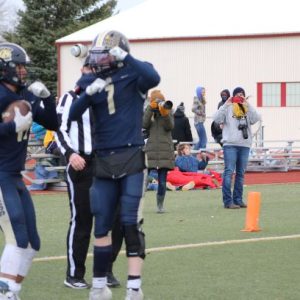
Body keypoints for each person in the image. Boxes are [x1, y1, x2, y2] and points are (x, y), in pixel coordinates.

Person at [68, 30, 160, 300]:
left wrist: (127, 57)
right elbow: (73, 114)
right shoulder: (91, 78)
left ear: (118, 53)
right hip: (104, 159)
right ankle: (98, 285)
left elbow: (154, 78)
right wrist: (87, 94)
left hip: (131, 156)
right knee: (102, 224)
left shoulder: (134, 73)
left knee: (131, 223)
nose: (100, 59)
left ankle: (134, 287)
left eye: (106, 53)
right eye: (98, 54)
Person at [55, 57, 121, 289]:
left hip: (104, 164)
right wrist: (71, 154)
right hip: (81, 163)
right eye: (89, 68)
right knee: (82, 220)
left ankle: (105, 270)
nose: (92, 72)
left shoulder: (105, 99)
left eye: (97, 69)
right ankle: (74, 274)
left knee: (113, 219)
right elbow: (59, 128)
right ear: (82, 70)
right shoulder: (70, 98)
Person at [0, 42, 58, 298]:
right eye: (19, 66)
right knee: (17, 238)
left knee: (32, 242)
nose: (23, 71)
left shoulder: (25, 94)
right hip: (0, 174)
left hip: (14, 175)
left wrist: (48, 99)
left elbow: (53, 123)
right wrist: (9, 128)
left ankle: (13, 290)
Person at [213, 87, 261, 209]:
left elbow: (256, 118)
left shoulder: (247, 108)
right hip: (230, 144)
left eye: (242, 95)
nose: (240, 97)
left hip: (244, 145)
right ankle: (228, 201)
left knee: (241, 173)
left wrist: (247, 104)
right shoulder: (227, 107)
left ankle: (238, 200)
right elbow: (217, 119)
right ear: (233, 96)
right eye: (237, 95)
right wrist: (226, 104)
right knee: (229, 172)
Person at [143, 90, 175, 213]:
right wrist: (150, 109)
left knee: (162, 182)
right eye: (157, 101)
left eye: (161, 101)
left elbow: (170, 126)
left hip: (164, 151)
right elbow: (144, 124)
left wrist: (165, 113)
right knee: (144, 180)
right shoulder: (149, 111)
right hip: (151, 150)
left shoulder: (168, 111)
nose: (160, 103)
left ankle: (160, 205)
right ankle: (136, 203)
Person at [192, 86, 207, 150]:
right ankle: (197, 153)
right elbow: (193, 109)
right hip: (198, 122)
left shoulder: (202, 99)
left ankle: (194, 153)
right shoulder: (196, 99)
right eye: (202, 92)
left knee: (202, 140)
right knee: (204, 140)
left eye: (204, 92)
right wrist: (201, 113)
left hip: (200, 122)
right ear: (199, 92)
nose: (203, 93)